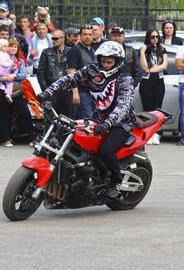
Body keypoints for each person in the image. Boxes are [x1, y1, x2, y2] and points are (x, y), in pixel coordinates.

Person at [37, 41, 136, 198]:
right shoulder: (92, 70)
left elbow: (123, 106)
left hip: (120, 124)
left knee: (105, 150)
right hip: (97, 120)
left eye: (109, 62)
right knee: (74, 141)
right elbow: (70, 79)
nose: (105, 65)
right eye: (103, 61)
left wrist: (107, 124)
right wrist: (48, 92)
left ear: (117, 62)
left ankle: (116, 181)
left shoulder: (125, 79)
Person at [0, 39, 33, 147]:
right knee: (4, 115)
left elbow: (24, 75)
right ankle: (6, 139)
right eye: (11, 46)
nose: (13, 48)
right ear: (7, 48)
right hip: (3, 91)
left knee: (25, 113)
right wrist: (4, 77)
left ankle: (33, 138)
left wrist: (14, 76)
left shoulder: (20, 61)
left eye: (15, 47)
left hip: (16, 91)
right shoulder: (2, 59)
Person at [37, 29, 72, 116]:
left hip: (67, 91)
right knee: (51, 118)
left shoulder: (71, 51)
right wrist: (47, 91)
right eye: (52, 38)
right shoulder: (46, 52)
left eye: (55, 39)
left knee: (67, 119)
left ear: (63, 39)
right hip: (51, 90)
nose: (53, 41)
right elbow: (40, 73)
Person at [66, 24, 97, 119]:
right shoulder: (75, 51)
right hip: (81, 92)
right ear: (80, 35)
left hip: (93, 92)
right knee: (85, 121)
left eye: (90, 34)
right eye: (85, 34)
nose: (87, 37)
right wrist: (75, 92)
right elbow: (71, 73)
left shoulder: (92, 50)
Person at [139, 29, 167, 112]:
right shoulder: (144, 50)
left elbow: (164, 66)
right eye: (152, 37)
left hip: (159, 82)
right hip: (146, 83)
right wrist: (142, 51)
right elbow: (144, 67)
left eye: (157, 36)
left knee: (157, 110)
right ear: (148, 37)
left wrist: (149, 70)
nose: (155, 38)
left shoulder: (162, 49)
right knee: (147, 110)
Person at [0, 38, 16, 104]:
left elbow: (9, 61)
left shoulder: (5, 54)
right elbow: (3, 63)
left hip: (2, 71)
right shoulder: (1, 54)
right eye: (5, 46)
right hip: (3, 71)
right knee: (10, 83)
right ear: (0, 47)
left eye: (7, 46)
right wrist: (11, 64)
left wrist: (12, 63)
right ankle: (8, 94)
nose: (7, 48)